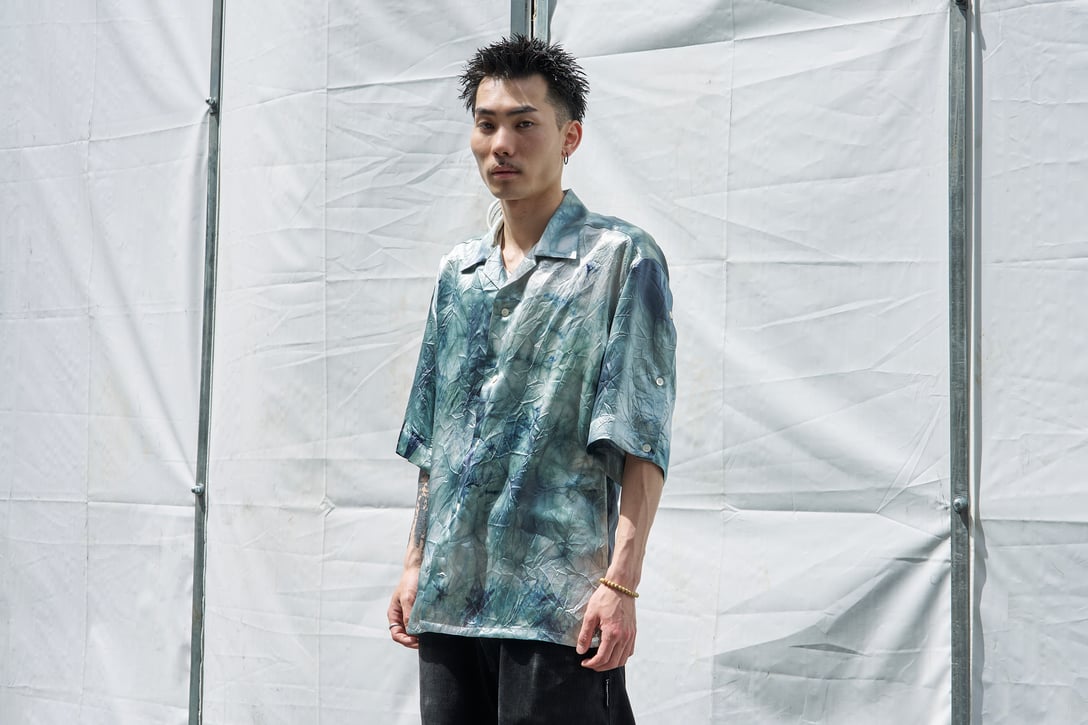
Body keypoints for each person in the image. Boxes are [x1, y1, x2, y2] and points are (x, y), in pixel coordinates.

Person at [388, 35, 677, 725]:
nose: (501, 145)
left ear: (569, 137)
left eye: (524, 123)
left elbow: (641, 438)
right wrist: (414, 562)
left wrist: (621, 585)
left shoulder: (619, 260)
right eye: (486, 124)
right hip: (450, 605)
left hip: (556, 611)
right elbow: (436, 442)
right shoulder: (458, 274)